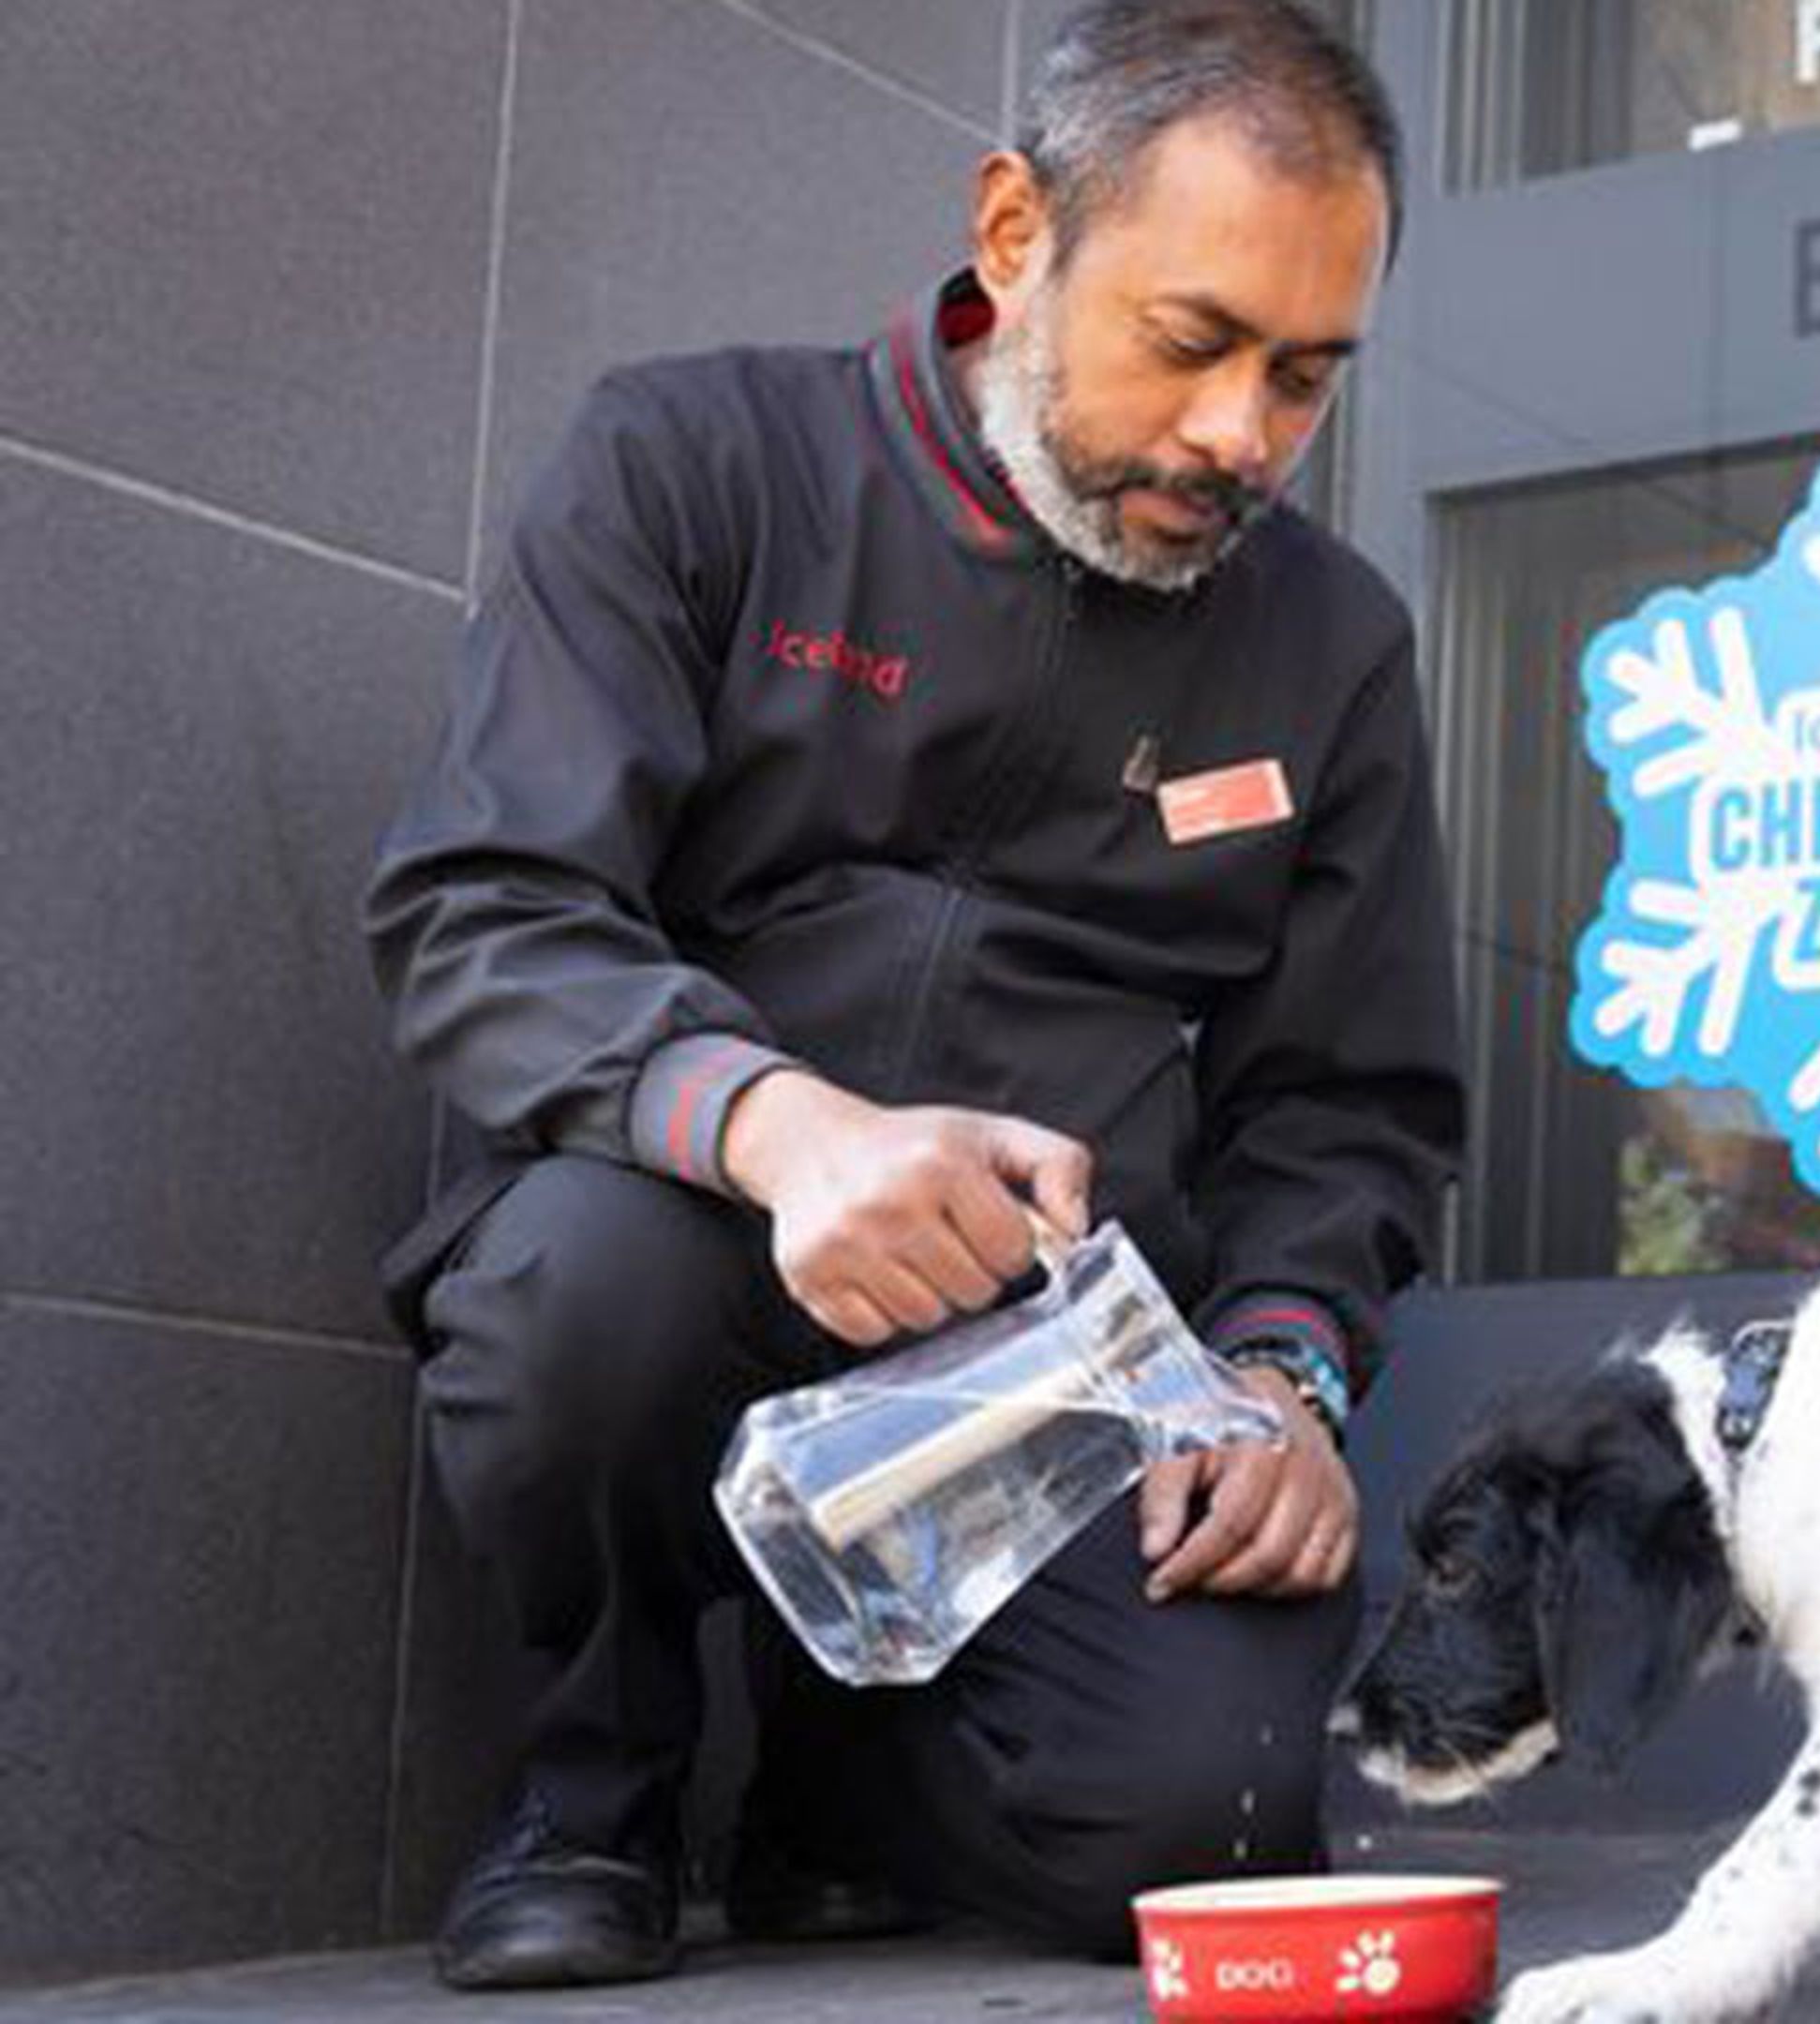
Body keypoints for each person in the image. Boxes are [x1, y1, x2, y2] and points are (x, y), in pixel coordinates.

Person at [359, 0, 1460, 1990]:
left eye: (1305, 377)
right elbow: (486, 905)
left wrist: (1281, 1373)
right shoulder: (694, 463)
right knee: (569, 1291)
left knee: (1205, 1824)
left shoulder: (1337, 643)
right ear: (1019, 231)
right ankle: (589, 1787)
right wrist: (782, 1131)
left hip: (1059, 1360)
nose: (1242, 436)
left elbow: (1349, 1105)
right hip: (689, 1236)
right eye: (1195, 343)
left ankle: (841, 1782)